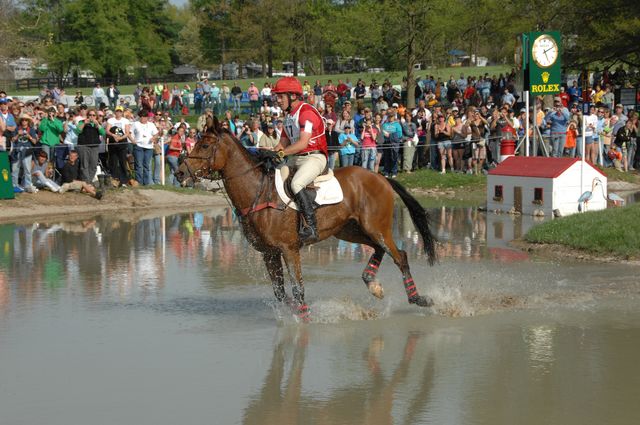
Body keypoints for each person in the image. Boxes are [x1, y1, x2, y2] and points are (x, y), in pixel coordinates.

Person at [272, 77, 328, 243]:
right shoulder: (289, 117)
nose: (278, 99)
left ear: (293, 96)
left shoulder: (306, 113)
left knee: (296, 184)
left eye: (281, 96)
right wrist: (267, 154)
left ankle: (311, 226)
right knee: (272, 175)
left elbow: (303, 143)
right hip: (296, 158)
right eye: (277, 96)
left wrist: (282, 154)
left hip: (314, 157)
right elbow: (281, 144)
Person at [75, 108, 105, 183]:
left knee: (93, 165)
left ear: (96, 116)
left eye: (93, 115)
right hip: (83, 146)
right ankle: (87, 182)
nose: (91, 117)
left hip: (94, 146)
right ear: (87, 115)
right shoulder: (81, 122)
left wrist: (97, 125)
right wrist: (84, 124)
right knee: (84, 165)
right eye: (90, 115)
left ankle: (89, 181)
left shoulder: (97, 124)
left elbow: (103, 133)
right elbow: (78, 131)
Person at [131, 109, 159, 185]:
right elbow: (130, 133)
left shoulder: (151, 124)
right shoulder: (135, 124)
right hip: (138, 146)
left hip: (149, 147)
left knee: (146, 165)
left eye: (145, 116)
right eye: (142, 116)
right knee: (139, 165)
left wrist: (153, 138)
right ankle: (139, 182)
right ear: (140, 117)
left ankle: (146, 183)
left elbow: (156, 133)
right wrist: (132, 140)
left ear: (147, 117)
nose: (143, 118)